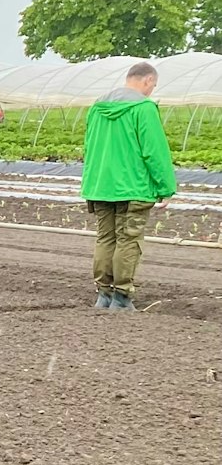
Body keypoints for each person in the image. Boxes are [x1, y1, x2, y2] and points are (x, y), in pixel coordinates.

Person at [81, 61, 177, 309]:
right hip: (133, 187)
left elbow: (90, 147)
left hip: (100, 185)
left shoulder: (97, 107)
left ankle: (103, 294)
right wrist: (165, 186)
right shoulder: (143, 108)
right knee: (128, 239)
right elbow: (154, 151)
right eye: (153, 85)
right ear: (147, 80)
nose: (151, 90)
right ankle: (121, 298)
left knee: (105, 238)